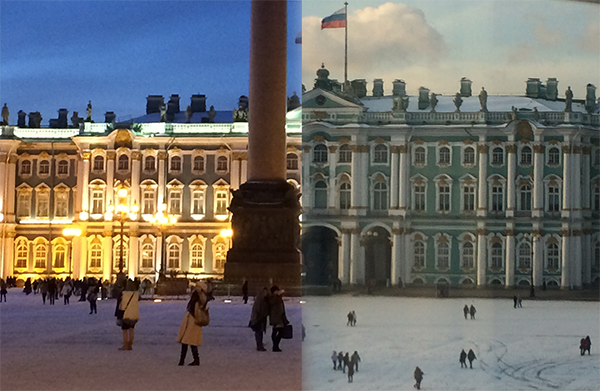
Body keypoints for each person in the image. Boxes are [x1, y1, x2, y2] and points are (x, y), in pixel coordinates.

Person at [177, 282, 208, 366]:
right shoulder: (197, 295)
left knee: (188, 340)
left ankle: (184, 361)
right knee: (189, 340)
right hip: (191, 319)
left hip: (194, 320)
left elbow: (200, 305)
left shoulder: (201, 296)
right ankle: (193, 360)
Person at [116, 279, 140, 351]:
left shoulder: (124, 294)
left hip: (126, 315)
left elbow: (122, 306)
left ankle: (125, 345)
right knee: (131, 330)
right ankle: (130, 345)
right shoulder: (136, 294)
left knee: (125, 330)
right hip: (134, 314)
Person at [268, 285, 289, 352]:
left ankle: (275, 345)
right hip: (277, 317)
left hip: (278, 316)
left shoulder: (277, 298)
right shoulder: (274, 298)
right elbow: (273, 303)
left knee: (277, 331)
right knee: (278, 331)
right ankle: (275, 346)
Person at [248, 287, 269, 351]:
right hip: (258, 318)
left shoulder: (264, 299)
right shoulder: (260, 299)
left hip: (261, 317)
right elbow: (257, 309)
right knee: (258, 331)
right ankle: (259, 345)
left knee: (260, 331)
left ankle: (260, 344)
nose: (266, 293)